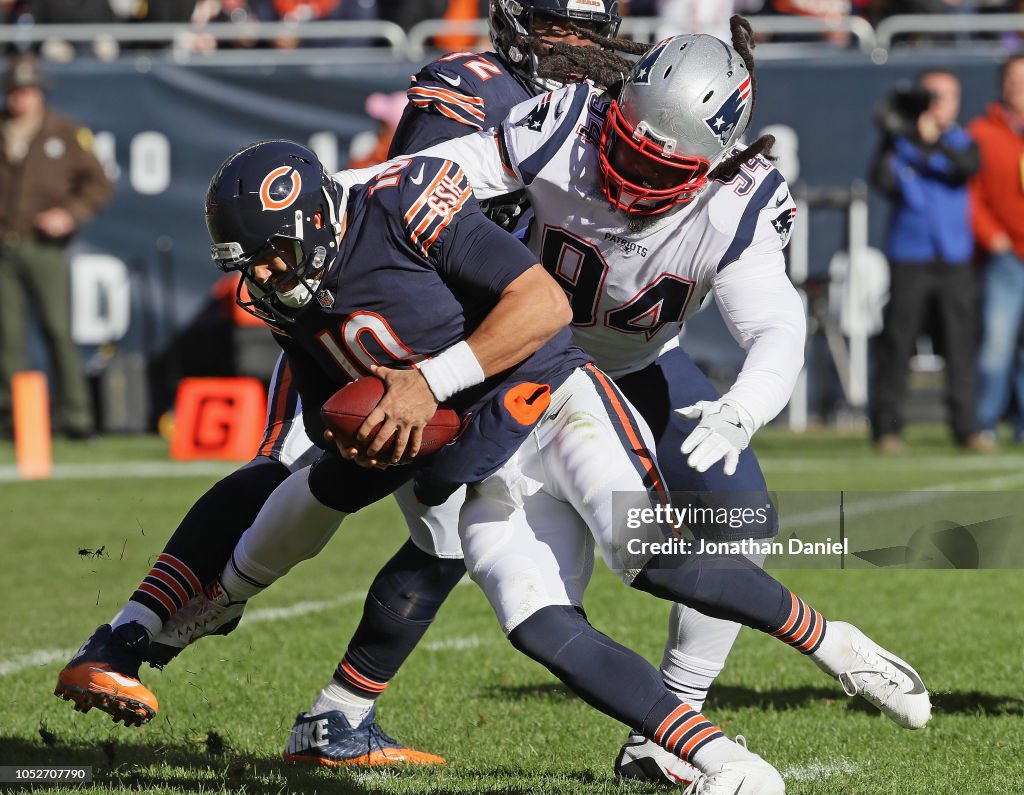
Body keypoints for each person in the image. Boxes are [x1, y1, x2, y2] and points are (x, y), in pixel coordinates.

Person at [61, 137, 792, 794]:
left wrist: (425, 387)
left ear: (313, 225)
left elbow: (538, 301)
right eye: (252, 262)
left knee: (458, 544)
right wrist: (359, 424)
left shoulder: (413, 195)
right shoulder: (306, 275)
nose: (266, 274)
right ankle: (166, 622)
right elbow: (324, 403)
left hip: (485, 386)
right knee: (303, 474)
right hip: (394, 393)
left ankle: (320, 705)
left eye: (273, 254)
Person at [868, 70, 988, 455]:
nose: (937, 104)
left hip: (953, 258)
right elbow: (881, 181)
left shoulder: (962, 141)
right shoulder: (900, 144)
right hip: (911, 257)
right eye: (931, 96)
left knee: (959, 347)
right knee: (898, 344)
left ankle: (968, 428)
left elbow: (966, 167)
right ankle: (887, 429)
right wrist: (892, 133)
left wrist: (931, 140)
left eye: (945, 96)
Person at [0, 53, 114, 439]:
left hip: (43, 245)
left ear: (39, 93)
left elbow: (99, 183)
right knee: (6, 336)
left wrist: (69, 213)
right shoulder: (3, 130)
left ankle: (76, 418)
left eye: (28, 90)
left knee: (57, 329)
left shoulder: (64, 133)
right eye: (16, 91)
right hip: (4, 245)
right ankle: (13, 418)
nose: (22, 99)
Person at [968, 53, 1024, 447]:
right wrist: (991, 235)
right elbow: (971, 195)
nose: (1018, 86)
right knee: (996, 346)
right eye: (1013, 79)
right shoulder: (982, 132)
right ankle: (984, 424)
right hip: (1004, 256)